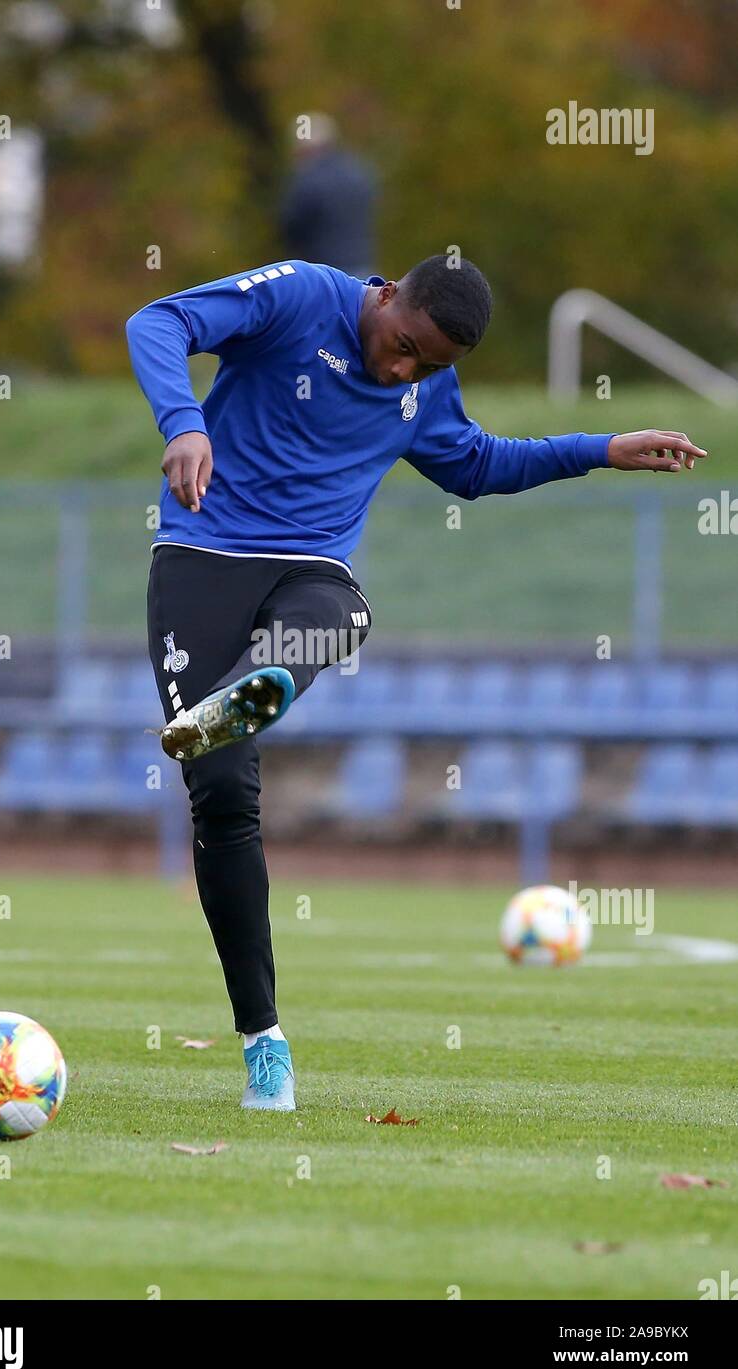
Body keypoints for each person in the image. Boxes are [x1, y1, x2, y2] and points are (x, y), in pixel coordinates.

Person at [126, 253, 705, 1112]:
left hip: (309, 565)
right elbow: (157, 322)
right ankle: (262, 1031)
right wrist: (184, 422)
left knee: (340, 615)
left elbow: (472, 464)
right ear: (388, 294)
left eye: (428, 366)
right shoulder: (299, 296)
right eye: (403, 348)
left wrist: (600, 449)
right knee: (218, 792)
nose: (405, 371)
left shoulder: (424, 383)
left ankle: (254, 693)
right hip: (201, 554)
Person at [279, 113, 377, 278]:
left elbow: (291, 225)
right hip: (362, 267)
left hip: (323, 274)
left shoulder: (309, 179)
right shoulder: (358, 172)